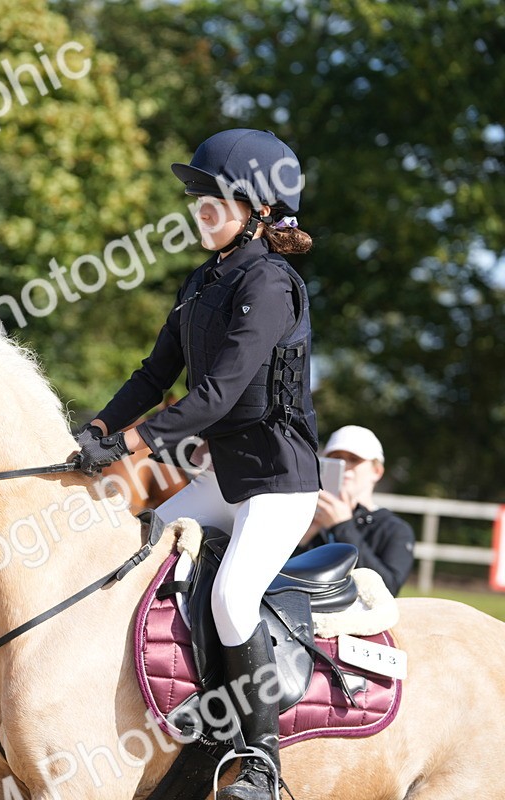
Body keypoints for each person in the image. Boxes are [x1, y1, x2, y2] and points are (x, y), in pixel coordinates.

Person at [72, 129, 319, 800]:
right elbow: (154, 375)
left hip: (277, 484)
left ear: (260, 210)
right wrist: (94, 428)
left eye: (215, 201)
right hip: (222, 479)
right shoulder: (202, 281)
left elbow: (216, 396)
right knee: (139, 548)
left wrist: (127, 447)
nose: (200, 211)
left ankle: (261, 762)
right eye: (198, 199)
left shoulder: (271, 284)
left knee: (232, 596)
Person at [296, 425, 415, 595]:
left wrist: (342, 527)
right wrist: (303, 537)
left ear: (376, 471)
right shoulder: (304, 517)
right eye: (336, 458)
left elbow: (387, 590)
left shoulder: (394, 529)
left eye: (354, 459)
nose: (344, 466)